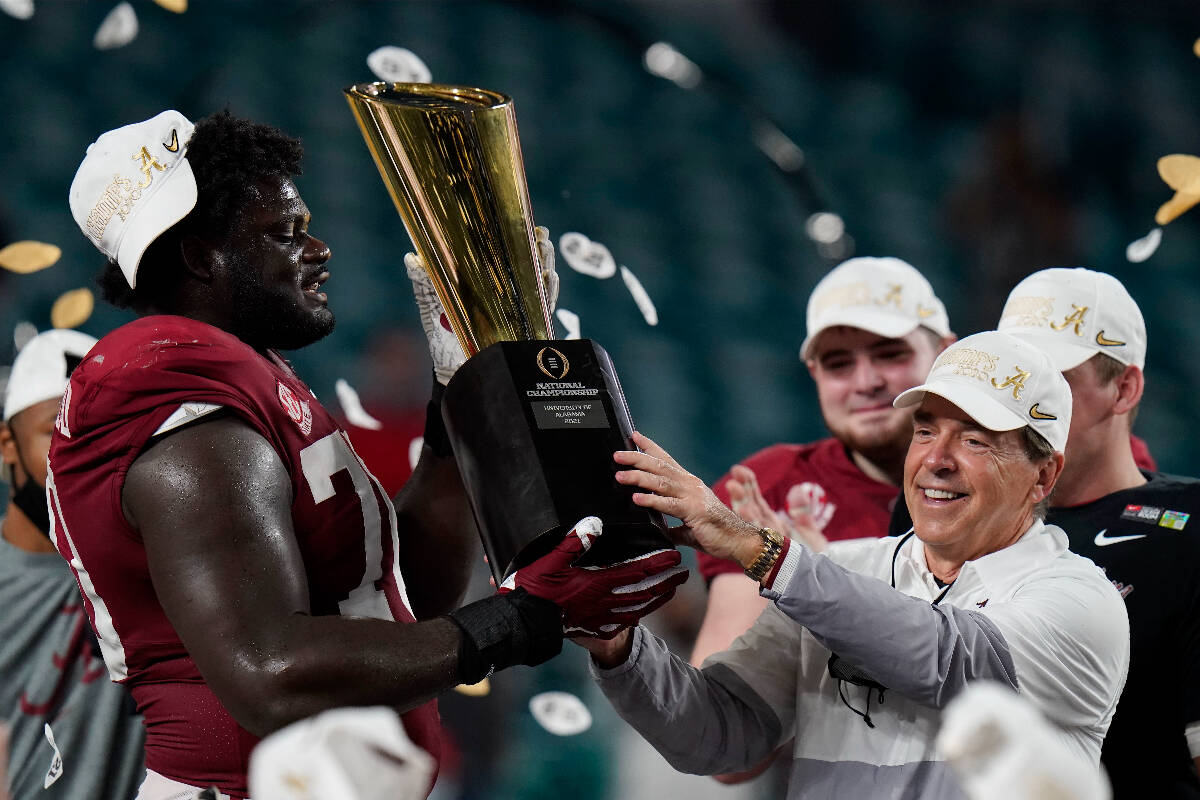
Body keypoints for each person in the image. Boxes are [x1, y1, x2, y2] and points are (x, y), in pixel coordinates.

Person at [53, 109, 685, 800]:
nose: (319, 249)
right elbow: (269, 671)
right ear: (202, 256)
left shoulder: (243, 378)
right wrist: (520, 617)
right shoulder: (179, 406)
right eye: (286, 233)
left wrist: (456, 403)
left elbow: (392, 602)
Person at [582, 331, 1129, 799]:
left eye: (975, 439)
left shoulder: (1081, 601)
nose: (936, 460)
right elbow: (723, 734)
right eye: (924, 430)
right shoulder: (843, 567)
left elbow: (949, 656)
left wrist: (757, 548)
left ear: (1043, 476)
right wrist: (617, 643)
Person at [691, 256, 955, 673]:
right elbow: (725, 693)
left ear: (946, 353)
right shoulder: (768, 488)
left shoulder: (1005, 482)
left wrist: (806, 573)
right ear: (813, 373)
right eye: (838, 364)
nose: (866, 382)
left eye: (890, 355)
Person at [995, 267, 1200, 799]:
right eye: (1014, 376)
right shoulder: (938, 511)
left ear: (1124, 388)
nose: (1025, 403)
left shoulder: (1192, 528)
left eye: (1053, 379)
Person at [0, 329, 145, 799]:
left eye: (100, 432)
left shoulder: (169, 566)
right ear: (6, 445)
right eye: (53, 429)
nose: (78, 452)